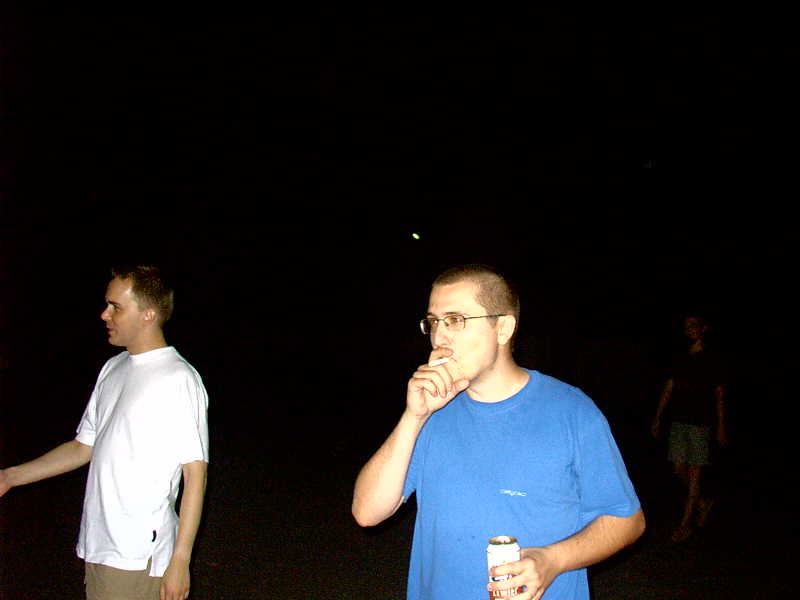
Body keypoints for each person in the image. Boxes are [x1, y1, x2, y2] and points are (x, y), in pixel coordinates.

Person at [352, 264, 645, 600]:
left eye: (455, 320)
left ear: (503, 328)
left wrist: (553, 560)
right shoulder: (432, 412)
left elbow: (628, 521)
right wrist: (413, 416)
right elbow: (367, 512)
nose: (439, 337)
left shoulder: (571, 412)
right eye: (433, 322)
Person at [0, 266, 209, 600]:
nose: (104, 314)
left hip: (137, 555)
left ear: (148, 315)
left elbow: (195, 474)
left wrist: (180, 559)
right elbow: (82, 448)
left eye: (116, 307)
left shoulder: (177, 378)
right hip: (99, 545)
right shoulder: (113, 368)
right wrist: (10, 477)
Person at [651, 314, 727, 543]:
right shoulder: (681, 357)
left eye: (694, 325)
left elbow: (719, 394)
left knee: (695, 475)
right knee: (678, 469)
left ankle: (685, 525)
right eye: (687, 326)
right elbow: (669, 386)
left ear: (704, 328)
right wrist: (658, 417)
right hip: (679, 421)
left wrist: (721, 426)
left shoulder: (712, 359)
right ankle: (702, 502)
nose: (690, 329)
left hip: (701, 424)